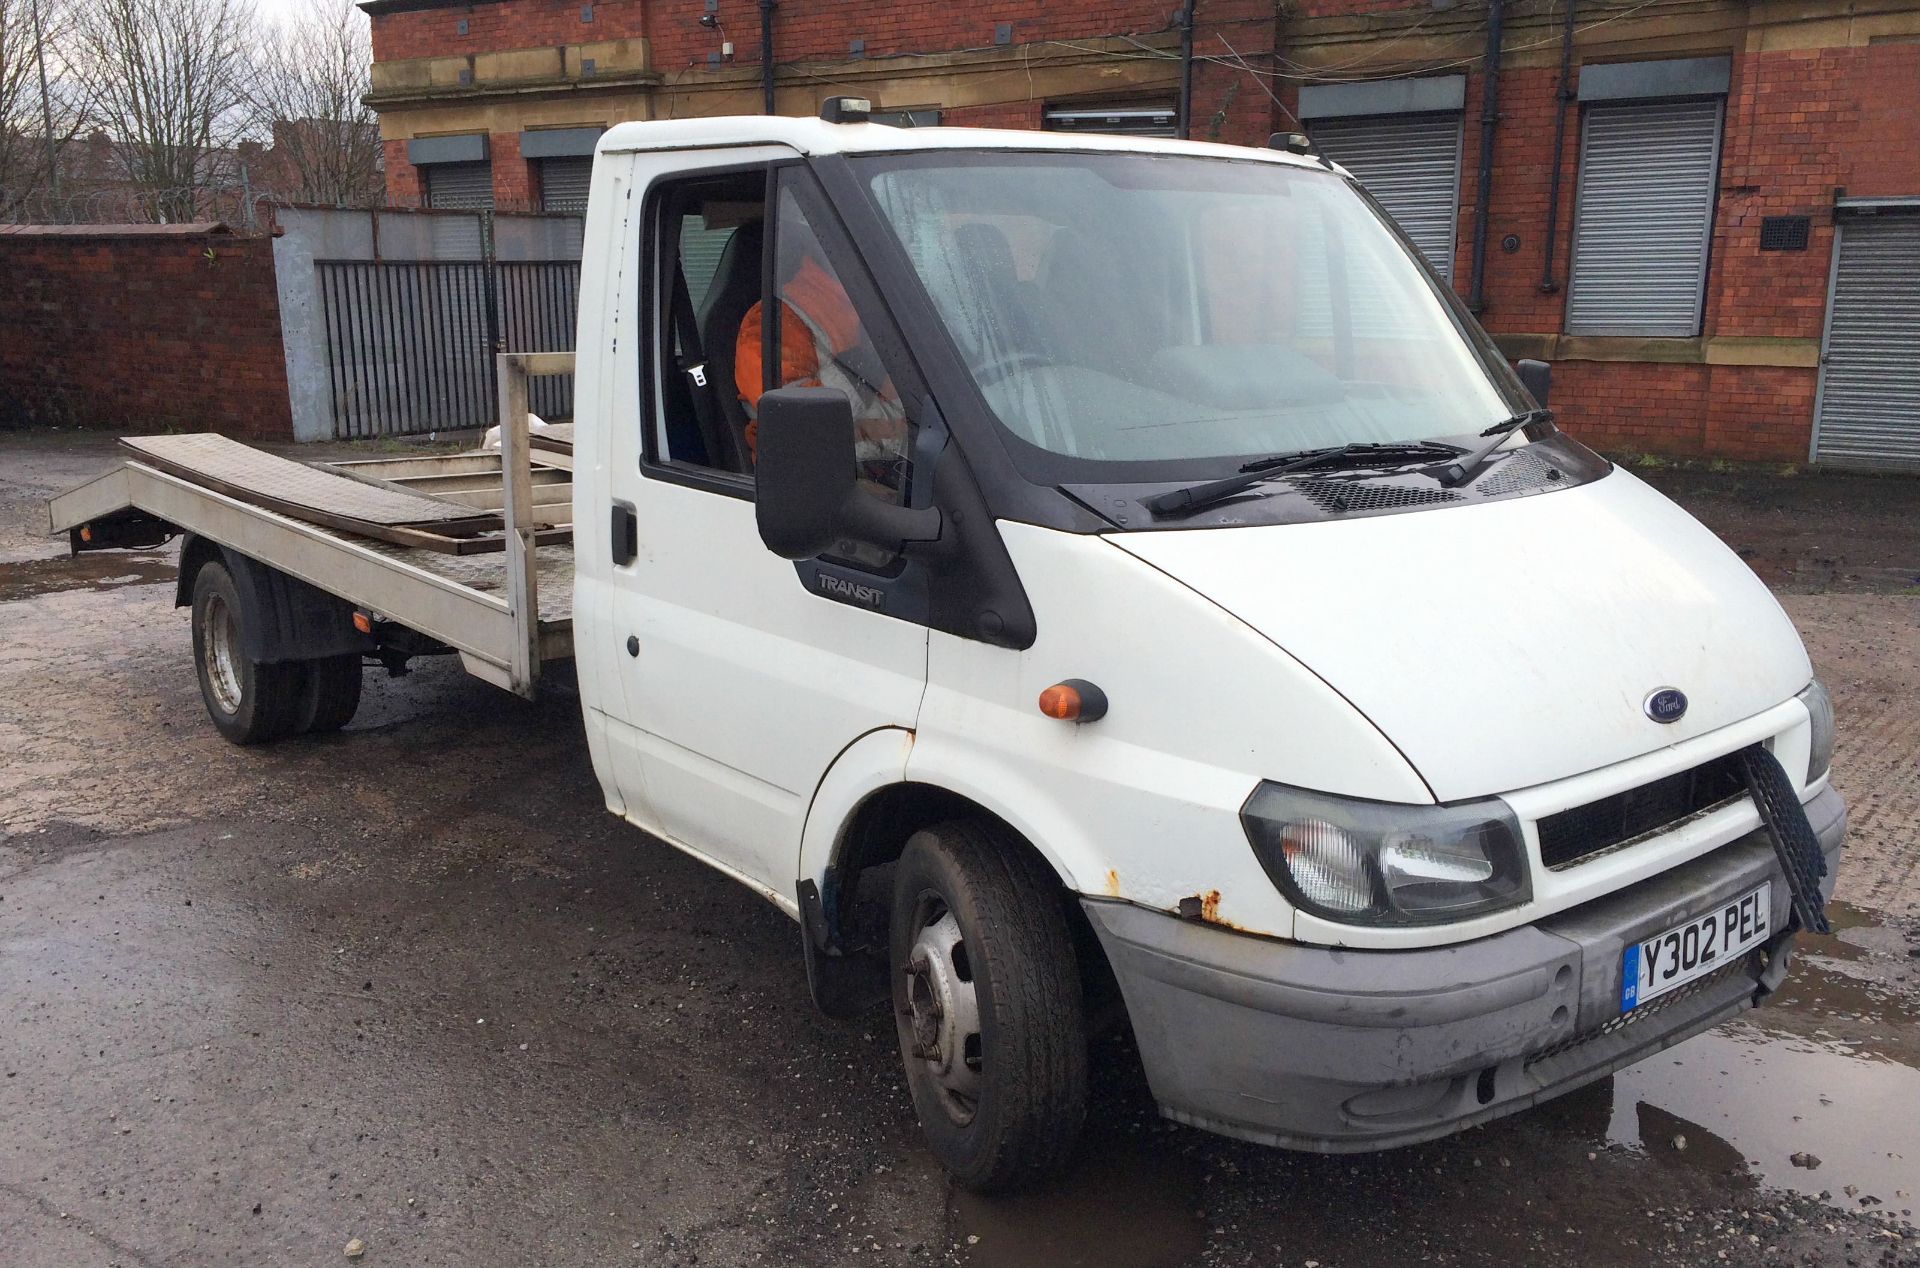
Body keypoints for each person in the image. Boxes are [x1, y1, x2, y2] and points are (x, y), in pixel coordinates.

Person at [733, 224, 907, 493]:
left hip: (905, 466)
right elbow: (801, 428)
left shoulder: (886, 305)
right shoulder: (774, 320)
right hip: (822, 485)